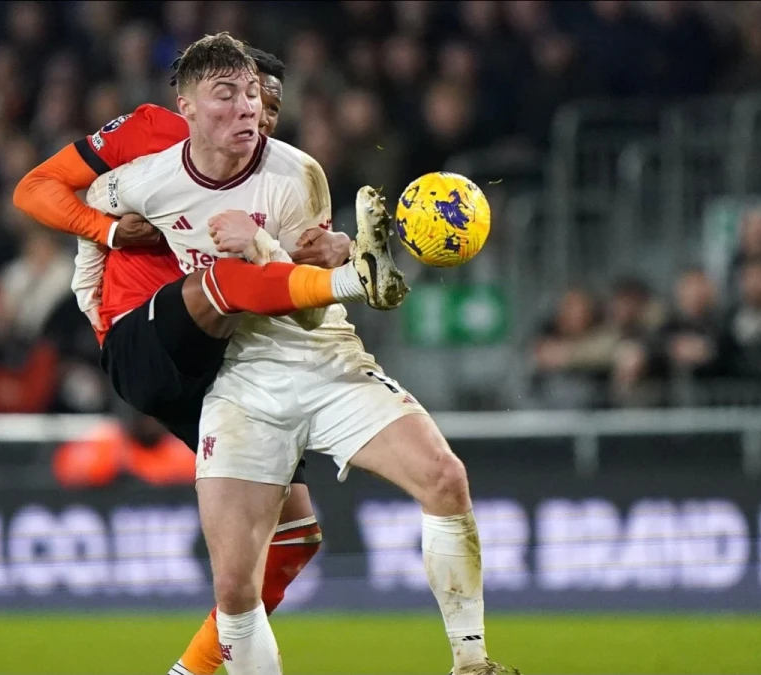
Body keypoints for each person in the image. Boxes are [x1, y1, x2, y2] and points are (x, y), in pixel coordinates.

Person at [78, 33, 515, 675]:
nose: (249, 110)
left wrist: (264, 247)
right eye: (229, 96)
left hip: (322, 361)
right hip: (240, 384)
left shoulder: (295, 172)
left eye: (254, 95)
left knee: (444, 478)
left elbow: (305, 310)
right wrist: (90, 284)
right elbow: (90, 199)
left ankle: (472, 663)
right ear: (189, 107)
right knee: (234, 587)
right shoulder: (151, 179)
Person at [14, 46, 368, 675]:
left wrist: (330, 254)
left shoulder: (280, 176)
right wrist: (111, 233)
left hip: (220, 365)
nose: (259, 117)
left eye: (268, 106)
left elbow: (284, 286)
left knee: (293, 540)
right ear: (201, 101)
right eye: (242, 97)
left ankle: (191, 670)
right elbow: (35, 188)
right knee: (225, 277)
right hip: (141, 335)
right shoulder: (154, 134)